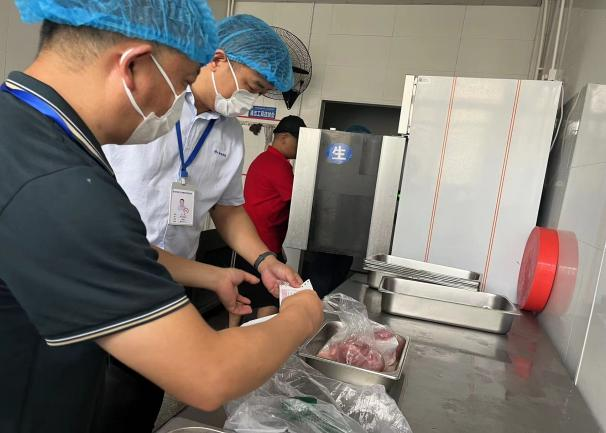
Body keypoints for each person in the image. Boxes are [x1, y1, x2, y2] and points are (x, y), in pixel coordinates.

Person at [0, 2, 323, 433]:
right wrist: (302, 315)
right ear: (133, 65)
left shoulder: (24, 129)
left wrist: (215, 274)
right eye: (184, 81)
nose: (175, 105)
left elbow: (122, 248)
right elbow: (207, 375)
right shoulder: (60, 183)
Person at [97, 14, 306, 432]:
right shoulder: (151, 106)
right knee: (99, 396)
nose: (251, 101)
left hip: (173, 282)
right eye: (252, 87)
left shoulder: (228, 135)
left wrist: (264, 259)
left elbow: (227, 209)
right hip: (108, 273)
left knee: (143, 396)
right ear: (218, 59)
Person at [233, 116, 307, 325]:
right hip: (263, 243)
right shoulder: (278, 164)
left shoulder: (262, 159)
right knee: (270, 296)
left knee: (242, 294)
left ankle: (231, 332)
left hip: (249, 239)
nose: (301, 147)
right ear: (284, 138)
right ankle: (262, 337)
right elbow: (298, 202)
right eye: (299, 141)